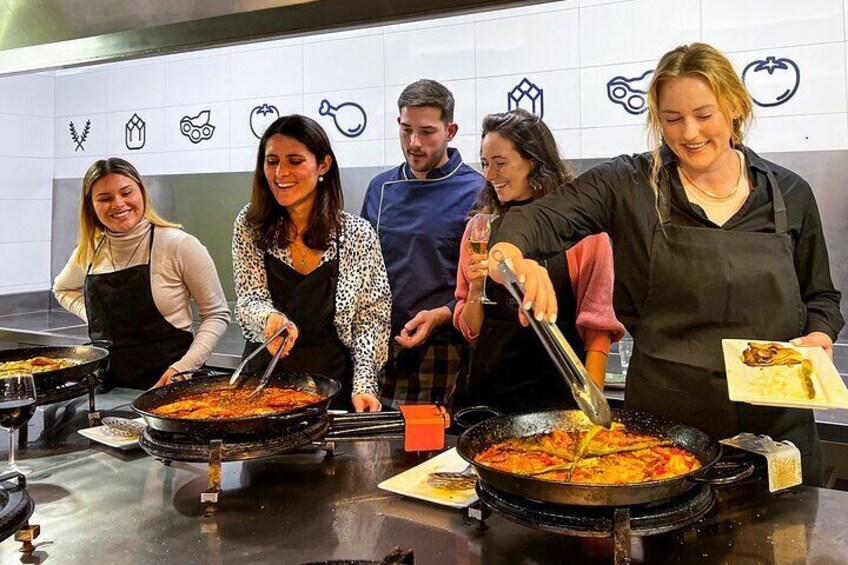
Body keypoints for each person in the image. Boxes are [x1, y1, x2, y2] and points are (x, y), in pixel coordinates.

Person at [488, 43, 844, 485]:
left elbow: (822, 296)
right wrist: (513, 257)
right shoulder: (628, 184)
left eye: (704, 114)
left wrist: (818, 335)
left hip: (778, 430)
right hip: (666, 435)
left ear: (735, 106)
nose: (689, 133)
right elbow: (534, 218)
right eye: (672, 119)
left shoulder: (789, 193)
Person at [453, 110, 624, 413]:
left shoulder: (585, 235)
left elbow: (598, 328)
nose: (490, 175)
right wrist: (477, 285)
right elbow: (472, 332)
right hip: (485, 399)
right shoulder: (478, 229)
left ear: (533, 161)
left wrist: (591, 406)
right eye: (485, 164)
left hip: (556, 400)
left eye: (500, 163)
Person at [233, 114, 390, 413]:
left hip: (332, 386)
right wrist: (269, 320)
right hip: (263, 384)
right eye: (271, 161)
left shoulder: (356, 233)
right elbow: (250, 297)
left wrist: (365, 385)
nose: (280, 172)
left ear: (323, 165)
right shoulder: (250, 224)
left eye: (294, 161)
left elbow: (372, 318)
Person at [53, 158, 230, 390]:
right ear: (91, 206)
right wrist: (95, 315)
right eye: (105, 198)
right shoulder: (89, 250)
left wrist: (184, 367)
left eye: (126, 192)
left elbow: (217, 315)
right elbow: (62, 289)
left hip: (171, 387)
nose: (118, 204)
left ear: (142, 193)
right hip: (110, 389)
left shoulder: (179, 244)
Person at [361, 79, 483, 408]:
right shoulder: (379, 188)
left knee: (436, 453)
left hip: (445, 346)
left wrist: (442, 314)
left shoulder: (477, 191)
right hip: (383, 345)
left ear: (450, 130)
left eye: (427, 132)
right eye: (406, 130)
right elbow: (363, 271)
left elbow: (481, 286)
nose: (414, 143)